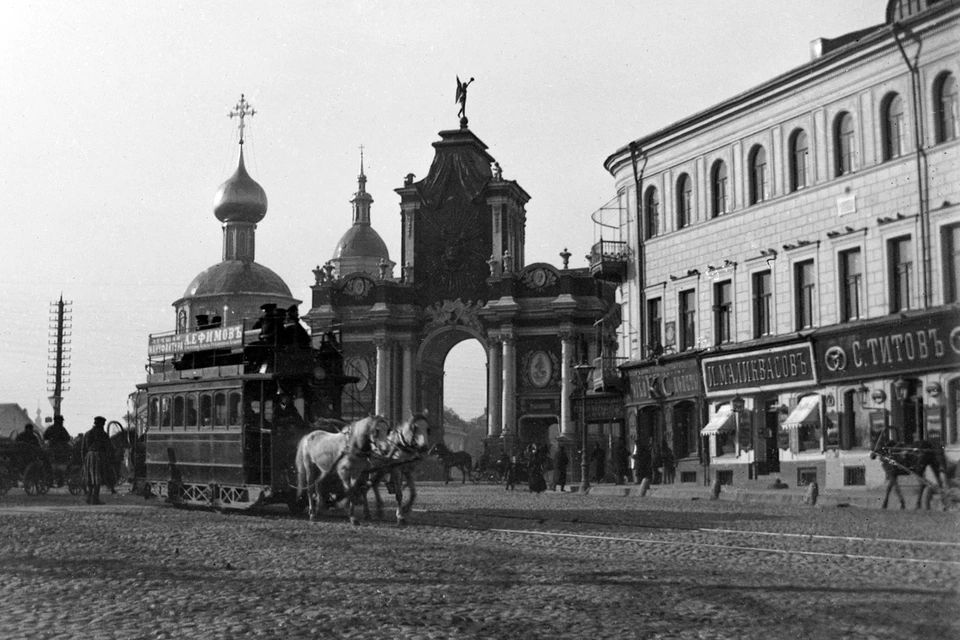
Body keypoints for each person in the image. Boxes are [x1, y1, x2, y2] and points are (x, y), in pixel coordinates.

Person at [81, 416, 115, 505]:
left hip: (89, 456)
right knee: (97, 479)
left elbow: (83, 448)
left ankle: (88, 498)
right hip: (99, 457)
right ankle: (95, 499)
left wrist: (84, 460)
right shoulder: (102, 433)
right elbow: (108, 447)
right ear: (101, 424)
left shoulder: (87, 433)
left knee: (89, 479)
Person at [872, 445, 906, 510]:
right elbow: (872, 456)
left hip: (891, 471)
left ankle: (901, 502)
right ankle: (885, 504)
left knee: (895, 487)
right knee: (889, 488)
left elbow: (874, 456)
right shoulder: (883, 452)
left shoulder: (884, 454)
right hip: (891, 470)